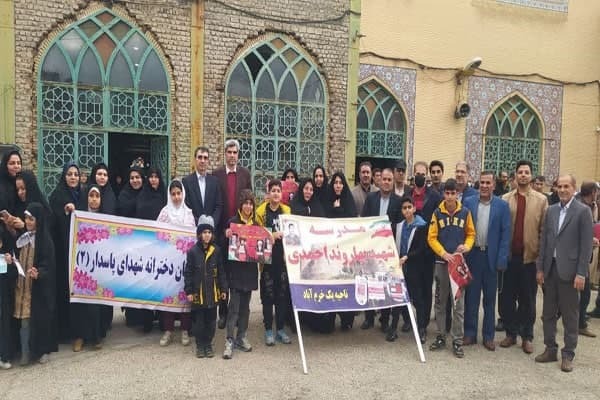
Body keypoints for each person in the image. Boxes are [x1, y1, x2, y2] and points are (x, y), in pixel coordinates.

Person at [535, 174, 593, 372]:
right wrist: (540, 268)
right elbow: (544, 241)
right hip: (550, 269)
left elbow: (586, 246)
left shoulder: (583, 212)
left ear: (574, 188)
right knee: (548, 313)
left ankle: (568, 354)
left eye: (566, 186)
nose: (562, 190)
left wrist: (581, 273)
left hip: (570, 272)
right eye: (559, 186)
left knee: (570, 316)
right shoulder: (551, 210)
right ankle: (550, 348)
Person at [500, 160, 547, 355]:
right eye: (520, 172)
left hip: (530, 258)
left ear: (531, 175)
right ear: (515, 175)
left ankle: (527, 336)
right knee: (507, 298)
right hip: (510, 258)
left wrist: (541, 260)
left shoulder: (541, 200)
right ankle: (511, 333)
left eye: (527, 172)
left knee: (528, 299)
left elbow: (544, 231)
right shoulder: (505, 199)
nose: (523, 175)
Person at [463, 172, 511, 351]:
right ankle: (469, 333)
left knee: (490, 300)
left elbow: (505, 234)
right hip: (473, 256)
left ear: (493, 185)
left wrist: (502, 258)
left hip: (491, 257)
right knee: (471, 298)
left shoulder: (502, 206)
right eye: (481, 182)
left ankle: (488, 336)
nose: (484, 186)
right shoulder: (468, 202)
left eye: (487, 183)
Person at [427, 178, 475, 358]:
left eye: (452, 193)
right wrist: (443, 253)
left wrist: (467, 246)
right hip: (441, 263)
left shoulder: (465, 212)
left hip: (458, 265)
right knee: (440, 302)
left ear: (457, 194)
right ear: (443, 194)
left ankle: (457, 340)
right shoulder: (437, 213)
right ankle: (441, 336)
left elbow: (471, 234)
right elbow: (431, 237)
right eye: (447, 193)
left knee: (458, 305)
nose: (449, 196)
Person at [5, 202, 57, 365]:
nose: (27, 222)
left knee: (34, 321)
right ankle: (25, 351)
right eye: (26, 218)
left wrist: (39, 273)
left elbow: (49, 265)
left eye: (31, 219)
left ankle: (38, 351)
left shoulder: (45, 240)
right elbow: (17, 256)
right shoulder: (23, 238)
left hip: (36, 289)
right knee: (23, 321)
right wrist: (11, 260)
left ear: (38, 221)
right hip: (22, 287)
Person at [212, 139, 252, 330]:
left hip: (240, 233)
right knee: (223, 275)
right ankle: (223, 313)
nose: (232, 155)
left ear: (238, 154)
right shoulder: (216, 174)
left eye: (235, 152)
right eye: (229, 152)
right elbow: (215, 201)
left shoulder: (245, 174)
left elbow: (249, 200)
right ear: (225, 154)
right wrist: (221, 230)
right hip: (222, 232)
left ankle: (236, 314)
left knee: (237, 275)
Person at [361, 168, 403, 332]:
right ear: (379, 181)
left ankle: (384, 319)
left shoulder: (398, 201)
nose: (386, 182)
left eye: (389, 180)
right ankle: (369, 317)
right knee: (370, 281)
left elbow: (399, 225)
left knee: (386, 284)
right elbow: (364, 221)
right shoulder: (371, 198)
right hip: (371, 248)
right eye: (384, 179)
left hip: (388, 249)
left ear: (393, 182)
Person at [156, 180, 195, 347]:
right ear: (169, 195)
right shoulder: (164, 213)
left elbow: (193, 237)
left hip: (184, 263)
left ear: (183, 194)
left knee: (184, 295)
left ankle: (185, 330)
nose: (177, 197)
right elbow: (157, 234)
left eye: (179, 193)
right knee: (169, 295)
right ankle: (168, 330)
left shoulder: (188, 213)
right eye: (173, 194)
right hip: (168, 263)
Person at [222, 189, 259, 359]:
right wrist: (226, 235)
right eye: (246, 203)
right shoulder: (232, 223)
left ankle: (241, 336)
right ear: (241, 205)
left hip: (249, 273)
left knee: (245, 308)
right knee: (234, 308)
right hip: (235, 272)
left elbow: (261, 250)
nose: (248, 206)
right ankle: (229, 340)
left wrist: (269, 240)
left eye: (251, 204)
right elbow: (225, 248)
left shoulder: (256, 226)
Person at [256, 179, 293, 345]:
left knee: (281, 296)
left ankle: (280, 329)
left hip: (282, 260)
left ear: (281, 193)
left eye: (278, 190)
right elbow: (256, 233)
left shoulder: (287, 212)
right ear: (269, 193)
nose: (276, 193)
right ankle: (268, 330)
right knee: (267, 296)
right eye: (273, 191)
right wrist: (272, 234)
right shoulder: (261, 212)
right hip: (267, 261)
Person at [184, 215, 227, 358]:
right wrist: (189, 291)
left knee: (211, 322)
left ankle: (208, 344)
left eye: (209, 232)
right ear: (199, 234)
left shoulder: (216, 251)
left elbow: (221, 272)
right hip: (198, 295)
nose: (207, 235)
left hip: (213, 294)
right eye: (204, 232)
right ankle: (200, 345)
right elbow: (188, 273)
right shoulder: (192, 252)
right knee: (199, 323)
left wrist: (223, 289)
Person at [70, 186, 106, 352]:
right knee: (80, 303)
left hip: (99, 266)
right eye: (91, 196)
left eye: (97, 196)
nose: (94, 199)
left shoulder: (106, 218)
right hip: (81, 265)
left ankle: (96, 337)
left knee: (95, 304)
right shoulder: (79, 216)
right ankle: (80, 337)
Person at [49, 162, 80, 342]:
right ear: (64, 176)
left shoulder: (82, 194)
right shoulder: (57, 196)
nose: (73, 177)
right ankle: (64, 331)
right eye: (69, 174)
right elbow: (53, 222)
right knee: (65, 290)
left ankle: (78, 330)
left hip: (80, 254)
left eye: (76, 174)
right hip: (63, 252)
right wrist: (65, 212)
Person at [85, 163, 118, 334]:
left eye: (105, 174)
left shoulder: (111, 196)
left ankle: (105, 322)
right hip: (88, 254)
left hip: (106, 252)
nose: (102, 177)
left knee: (105, 285)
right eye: (99, 174)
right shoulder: (86, 195)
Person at [133, 167, 167, 332]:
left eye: (156, 177)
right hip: (146, 245)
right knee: (146, 283)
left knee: (160, 282)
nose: (153, 180)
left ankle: (161, 319)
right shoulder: (142, 196)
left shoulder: (164, 197)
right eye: (151, 177)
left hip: (161, 246)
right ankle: (146, 320)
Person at [391, 196, 428, 343]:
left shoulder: (421, 226)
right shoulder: (399, 226)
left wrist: (408, 256)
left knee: (418, 299)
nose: (407, 210)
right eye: (404, 208)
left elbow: (422, 248)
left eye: (409, 207)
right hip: (400, 267)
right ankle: (393, 328)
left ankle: (422, 329)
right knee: (398, 297)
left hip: (415, 267)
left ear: (414, 208)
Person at [325, 172, 357, 330]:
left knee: (345, 284)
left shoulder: (349, 201)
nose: (338, 185)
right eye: (335, 182)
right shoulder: (327, 200)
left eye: (340, 182)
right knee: (331, 285)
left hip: (345, 254)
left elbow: (350, 222)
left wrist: (338, 210)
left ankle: (347, 320)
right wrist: (333, 210)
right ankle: (329, 318)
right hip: (330, 254)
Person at [574, 181, 598, 338]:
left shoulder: (591, 206)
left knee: (579, 292)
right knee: (584, 293)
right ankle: (580, 324)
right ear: (593, 192)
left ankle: (578, 321)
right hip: (576, 256)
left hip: (582, 254)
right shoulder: (581, 207)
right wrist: (590, 240)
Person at [182, 146, 223, 226]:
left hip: (211, 229)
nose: (202, 161)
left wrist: (212, 222)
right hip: (193, 227)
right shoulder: (186, 182)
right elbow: (186, 206)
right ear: (195, 160)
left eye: (205, 158)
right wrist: (199, 223)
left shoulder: (215, 181)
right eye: (200, 157)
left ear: (208, 161)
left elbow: (218, 206)